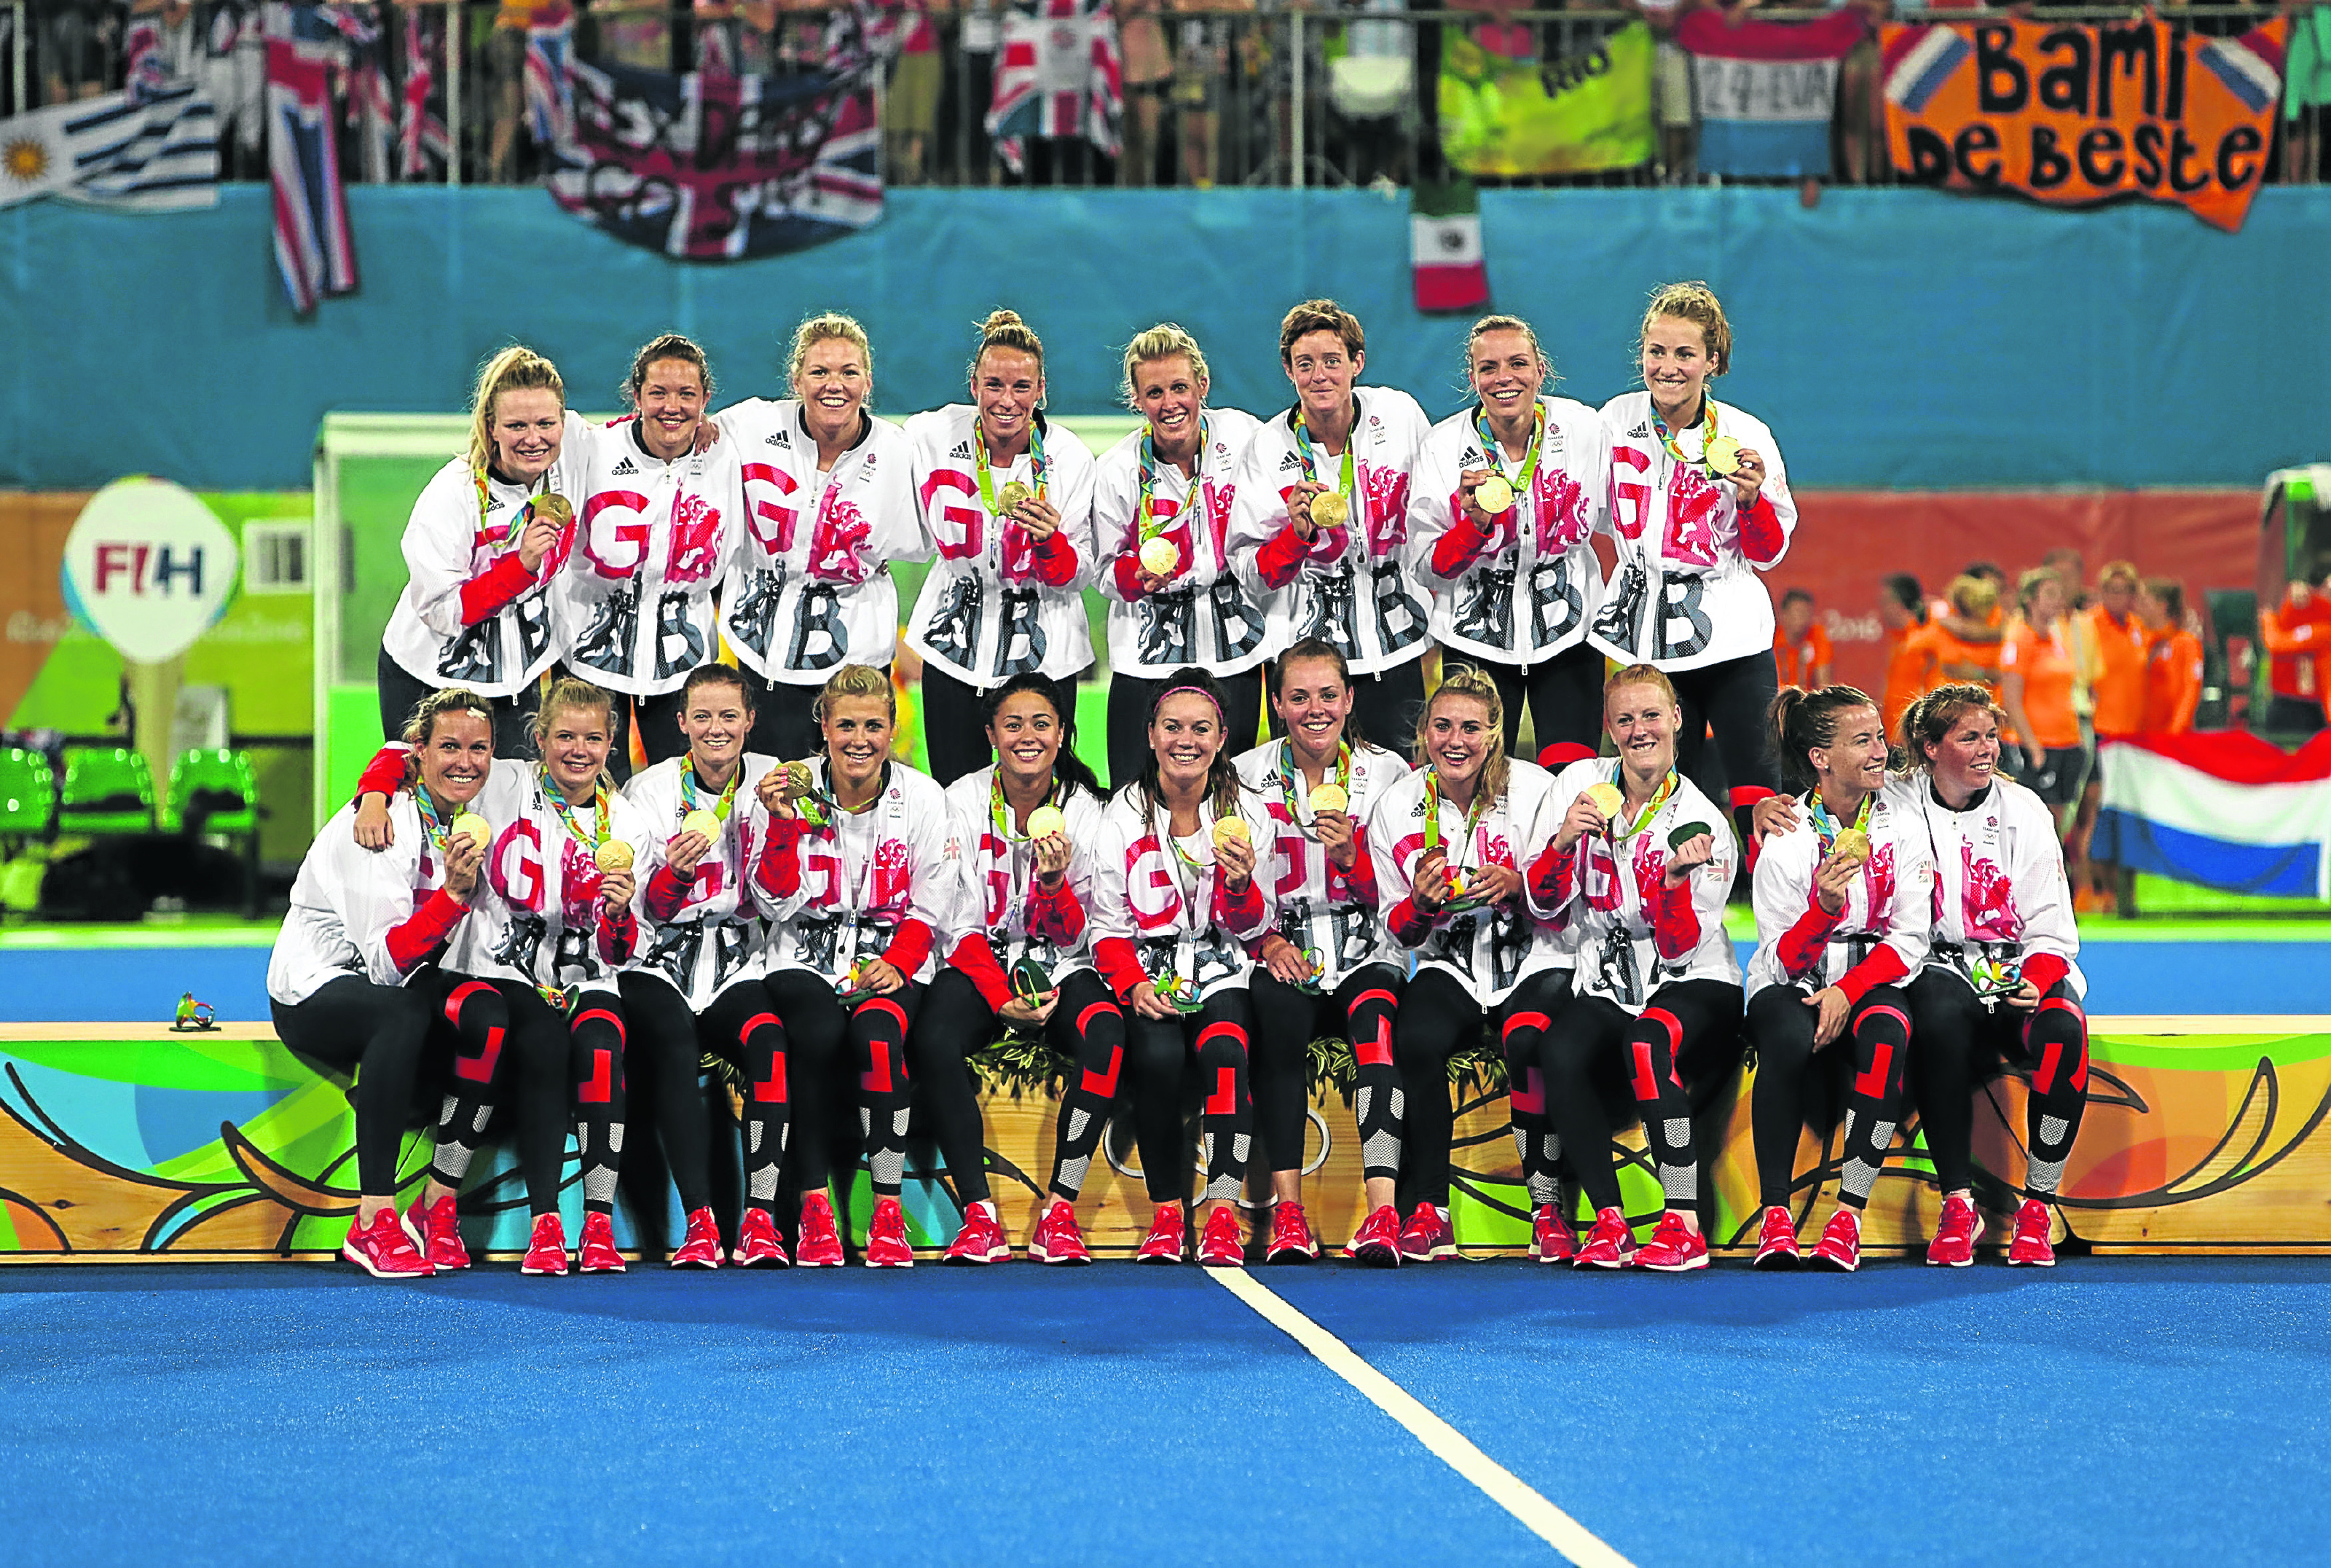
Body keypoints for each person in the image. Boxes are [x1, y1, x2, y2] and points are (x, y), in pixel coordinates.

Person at [350, 678, 655, 1275]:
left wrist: (618, 914)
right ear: (539, 739)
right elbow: (411, 751)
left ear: (611, 743)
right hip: (499, 967)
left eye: (592, 738)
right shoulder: (504, 783)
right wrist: (373, 797)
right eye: (564, 736)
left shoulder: (629, 824)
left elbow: (622, 948)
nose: (578, 750)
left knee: (601, 1047)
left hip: (586, 978)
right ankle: (543, 1224)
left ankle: (596, 1226)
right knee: (539, 1038)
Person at [1528, 665, 1745, 1272]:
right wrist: (1562, 842)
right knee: (1559, 1051)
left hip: (1694, 980)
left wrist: (1674, 884)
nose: (1639, 729)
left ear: (1677, 718)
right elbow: (1543, 906)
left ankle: (1684, 1223)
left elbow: (1679, 950)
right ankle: (1609, 1219)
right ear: (1608, 727)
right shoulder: (1578, 785)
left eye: (1651, 715)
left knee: (1647, 1043)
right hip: (1606, 980)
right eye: (1624, 718)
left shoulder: (1704, 826)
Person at [914, 672, 1123, 1265]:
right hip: (982, 961)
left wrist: (1054, 886)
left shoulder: (1088, 811)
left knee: (1106, 1037)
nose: (1026, 736)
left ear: (1062, 735)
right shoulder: (959, 800)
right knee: (932, 1038)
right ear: (990, 734)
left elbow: (1085, 930)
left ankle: (1060, 1209)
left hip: (1062, 964)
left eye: (1041, 724)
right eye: (1012, 724)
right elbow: (953, 921)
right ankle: (978, 1215)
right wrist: (999, 994)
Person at [755, 663, 959, 1266]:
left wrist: (899, 961)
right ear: (822, 725)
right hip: (803, 955)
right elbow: (771, 900)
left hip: (891, 958)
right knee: (816, 1034)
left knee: (876, 1036)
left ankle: (888, 1211)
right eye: (845, 724)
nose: (859, 739)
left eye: (873, 725)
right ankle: (815, 1206)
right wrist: (782, 828)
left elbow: (935, 897)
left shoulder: (923, 797)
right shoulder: (787, 788)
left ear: (893, 729)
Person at [618, 664, 813, 1269]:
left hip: (735, 962)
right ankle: (700, 1220)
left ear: (751, 721)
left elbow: (781, 902)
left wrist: (781, 827)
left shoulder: (772, 784)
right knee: (674, 1044)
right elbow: (640, 911)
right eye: (701, 716)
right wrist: (674, 875)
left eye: (729, 715)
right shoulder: (648, 792)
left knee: (769, 1042)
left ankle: (759, 1219)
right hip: (658, 961)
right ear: (680, 723)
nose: (716, 728)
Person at [1889, 683, 2089, 1267]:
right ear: (1930, 748)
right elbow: (1832, 788)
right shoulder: (1899, 803)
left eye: (1992, 735)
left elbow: (2052, 923)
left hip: (2018, 969)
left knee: (2064, 1034)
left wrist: (2039, 974)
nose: (1987, 749)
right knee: (1937, 1014)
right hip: (1939, 967)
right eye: (1969, 737)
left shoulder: (2023, 809)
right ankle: (1958, 1203)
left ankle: (2039, 1203)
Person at [1589, 282, 1796, 840]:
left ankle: (1773, 918)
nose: (1668, 367)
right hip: (1643, 637)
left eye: (1685, 353)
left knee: (1758, 793)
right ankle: (1655, 920)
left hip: (1733, 642)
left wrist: (1751, 502)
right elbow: (1587, 515)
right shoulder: (1614, 420)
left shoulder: (1746, 434)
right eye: (1657, 352)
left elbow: (1770, 552)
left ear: (1713, 360)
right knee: (1648, 792)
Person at [1372, 668, 1566, 1264]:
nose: (1455, 741)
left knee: (1527, 1036)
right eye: (1442, 726)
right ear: (1424, 732)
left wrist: (1520, 885)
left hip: (1534, 957)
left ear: (1495, 732)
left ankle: (1548, 1207)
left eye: (1471, 728)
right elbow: (1395, 927)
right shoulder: (1397, 805)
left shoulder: (1537, 790)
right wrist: (1420, 905)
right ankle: (1430, 1208)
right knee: (1416, 1036)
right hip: (1449, 963)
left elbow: (1563, 901)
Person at [1088, 671, 1277, 1266]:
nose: (1185, 740)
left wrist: (1243, 885)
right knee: (1160, 1058)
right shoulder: (1121, 812)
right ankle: (1167, 1213)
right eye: (1172, 727)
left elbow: (1256, 928)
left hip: (1225, 971)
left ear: (1223, 737)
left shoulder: (1248, 811)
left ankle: (1222, 1213)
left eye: (1201, 728)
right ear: (1149, 735)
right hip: (1149, 973)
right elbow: (1106, 925)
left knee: (1226, 1053)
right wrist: (1133, 984)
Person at [1234, 639, 1412, 1264]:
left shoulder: (1389, 773)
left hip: (1368, 949)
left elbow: (1404, 888)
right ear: (1277, 703)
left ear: (1350, 698)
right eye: (1300, 696)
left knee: (1377, 1034)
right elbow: (1227, 889)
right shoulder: (1244, 775)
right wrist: (1267, 938)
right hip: (1284, 950)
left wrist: (1351, 860)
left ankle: (1383, 1213)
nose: (1316, 709)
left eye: (1328, 695)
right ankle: (1289, 1215)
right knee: (1276, 1033)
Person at [1742, 686, 1930, 1272]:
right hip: (1794, 983)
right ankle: (1776, 1216)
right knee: (1785, 1034)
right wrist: (1823, 907)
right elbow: (1781, 963)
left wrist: (1848, 990)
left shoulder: (1903, 817)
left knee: (1887, 1034)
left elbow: (1911, 936)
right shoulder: (1787, 836)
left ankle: (1848, 1215)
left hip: (1871, 980)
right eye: (1863, 740)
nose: (1881, 750)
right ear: (1820, 758)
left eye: (1879, 736)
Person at [905, 309, 1098, 786]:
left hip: (1045, 653)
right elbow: (858, 436)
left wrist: (1052, 544)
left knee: (1039, 792)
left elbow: (1082, 574)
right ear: (973, 386)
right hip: (953, 647)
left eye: (1021, 387)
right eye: (994, 385)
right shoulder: (929, 436)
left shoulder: (1069, 458)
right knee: (955, 789)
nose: (1007, 400)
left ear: (1041, 389)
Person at [715, 313, 921, 761]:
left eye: (849, 372)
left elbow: (932, 536)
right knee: (766, 798)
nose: (835, 384)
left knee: (854, 798)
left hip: (856, 664)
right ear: (796, 378)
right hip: (757, 657)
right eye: (820, 371)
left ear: (868, 381)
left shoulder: (899, 452)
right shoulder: (749, 426)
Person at [1229, 299, 1434, 746]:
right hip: (1305, 660)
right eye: (1305, 364)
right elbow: (1249, 572)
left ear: (1358, 362)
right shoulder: (1266, 449)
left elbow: (1431, 518)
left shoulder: (1399, 417)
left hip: (1395, 643)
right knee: (1304, 793)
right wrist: (1295, 537)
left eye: (1332, 361)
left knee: (1400, 787)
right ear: (1288, 370)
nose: (1319, 375)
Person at [1412, 313, 1611, 757]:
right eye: (1488, 368)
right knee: (1475, 778)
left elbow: (1623, 522)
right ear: (1473, 378)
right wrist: (1473, 527)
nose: (1504, 379)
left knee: (1570, 775)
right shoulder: (1443, 447)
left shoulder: (1583, 431)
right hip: (1473, 634)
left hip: (1569, 632)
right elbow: (1427, 566)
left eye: (1517, 364)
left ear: (1541, 371)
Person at [380, 346, 584, 755]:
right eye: (516, 426)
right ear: (490, 427)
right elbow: (443, 610)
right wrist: (521, 566)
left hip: (514, 676)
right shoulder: (451, 495)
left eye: (546, 423)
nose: (534, 439)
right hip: (432, 674)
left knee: (513, 801)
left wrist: (701, 429)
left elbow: (633, 437)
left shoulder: (574, 456)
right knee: (436, 801)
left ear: (564, 422)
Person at [1094, 324, 1270, 787]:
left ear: (1202, 387)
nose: (1169, 404)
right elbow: (1103, 572)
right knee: (1135, 793)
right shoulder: (1116, 470)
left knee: (1232, 789)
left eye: (1180, 388)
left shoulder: (1245, 437)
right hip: (1146, 651)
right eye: (1154, 392)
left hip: (1235, 648)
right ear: (1136, 398)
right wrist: (1135, 577)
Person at [558, 334, 742, 772]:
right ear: (636, 394)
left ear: (706, 399)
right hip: (590, 660)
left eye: (687, 395)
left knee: (684, 800)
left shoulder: (728, 456)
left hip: (683, 666)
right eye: (658, 393)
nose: (672, 406)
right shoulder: (591, 450)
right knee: (591, 796)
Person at [1999, 567, 2086, 835]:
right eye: (2049, 594)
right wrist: (2033, 747)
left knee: (2059, 822)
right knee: (2034, 823)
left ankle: (2057, 873)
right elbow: (2011, 700)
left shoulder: (2057, 640)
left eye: (2059, 594)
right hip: (2036, 745)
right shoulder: (2020, 639)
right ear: (2030, 600)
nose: (2057, 600)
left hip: (2067, 742)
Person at [2256, 559, 2331, 736]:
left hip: (2305, 710)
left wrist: (2268, 620)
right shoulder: (2301, 617)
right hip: (2292, 707)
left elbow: (2276, 643)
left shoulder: (2323, 631)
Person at [1878, 573, 1943, 741]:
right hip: (1893, 735)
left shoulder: (1925, 636)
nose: (1881, 609)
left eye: (1885, 602)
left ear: (1898, 603)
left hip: (1913, 736)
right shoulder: (1899, 638)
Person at [2139, 578, 2204, 736]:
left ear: (2162, 607)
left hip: (2172, 736)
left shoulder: (2186, 643)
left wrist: (2176, 730)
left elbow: (2191, 690)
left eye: (2145, 604)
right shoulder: (2142, 641)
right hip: (2141, 735)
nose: (2139, 609)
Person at [1772, 589, 1832, 691]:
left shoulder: (1816, 635)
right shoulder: (1772, 638)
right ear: (1784, 615)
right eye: (1798, 613)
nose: (1803, 619)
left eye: (1806, 613)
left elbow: (1825, 685)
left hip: (1806, 701)